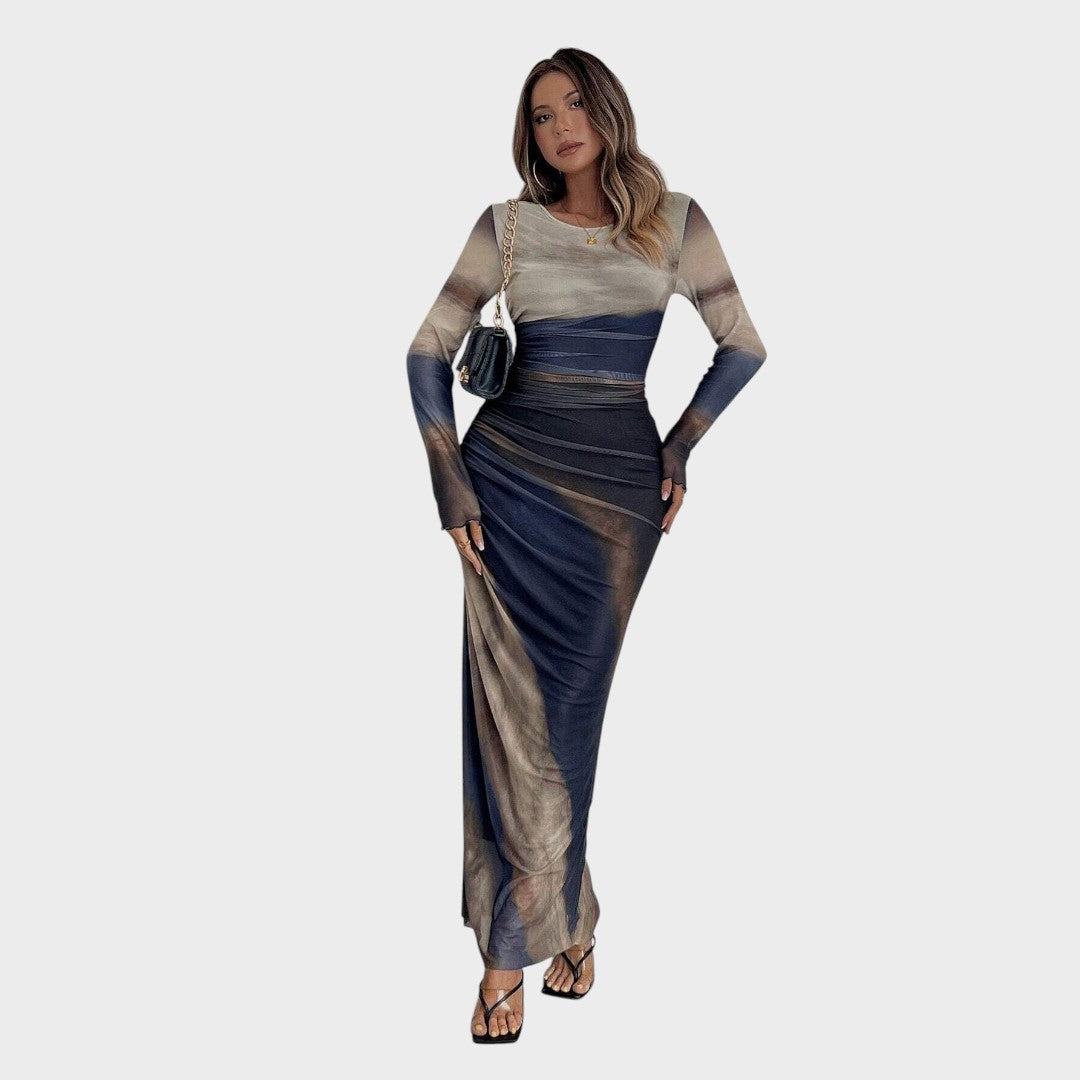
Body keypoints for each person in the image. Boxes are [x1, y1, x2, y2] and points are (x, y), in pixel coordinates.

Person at [406, 48, 767, 1043]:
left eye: (574, 105)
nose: (559, 125)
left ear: (607, 111)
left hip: (614, 507)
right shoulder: (507, 229)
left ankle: (569, 918)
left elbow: (744, 343)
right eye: (540, 114)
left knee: (567, 724)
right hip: (504, 492)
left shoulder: (676, 223)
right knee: (509, 727)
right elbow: (426, 348)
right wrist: (448, 478)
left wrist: (680, 446)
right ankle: (509, 956)